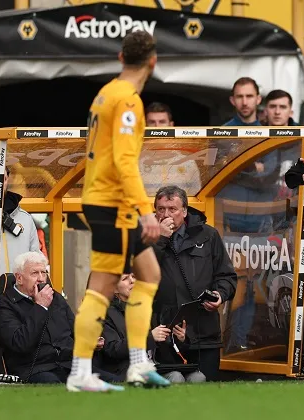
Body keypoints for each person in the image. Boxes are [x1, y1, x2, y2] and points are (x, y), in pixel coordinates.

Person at [66, 30, 168, 392]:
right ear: (152, 61)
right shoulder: (127, 101)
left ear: (121, 56)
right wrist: (146, 210)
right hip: (112, 203)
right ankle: (80, 372)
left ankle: (139, 364)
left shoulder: (106, 93)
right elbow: (125, 161)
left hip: (108, 200)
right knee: (103, 287)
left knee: (149, 274)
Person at [152, 185, 237, 381]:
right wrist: (160, 240)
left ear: (184, 211)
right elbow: (138, 274)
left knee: (205, 390)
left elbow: (226, 276)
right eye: (160, 209)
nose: (166, 214)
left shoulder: (207, 235)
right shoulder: (145, 235)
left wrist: (220, 296)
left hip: (203, 333)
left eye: (172, 209)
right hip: (165, 334)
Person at [0, 252, 118, 384]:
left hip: (69, 365)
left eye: (43, 273)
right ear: (19, 278)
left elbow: (75, 330)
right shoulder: (6, 304)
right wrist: (40, 307)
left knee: (113, 381)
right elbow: (20, 343)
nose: (41, 279)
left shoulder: (56, 298)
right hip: (36, 369)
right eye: (34, 273)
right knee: (54, 386)